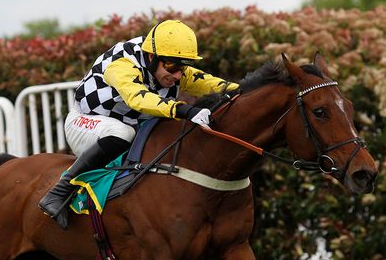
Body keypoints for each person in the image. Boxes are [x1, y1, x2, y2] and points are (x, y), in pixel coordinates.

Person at [38, 19, 240, 228]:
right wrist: (185, 110)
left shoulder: (167, 65)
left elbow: (208, 82)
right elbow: (138, 98)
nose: (178, 74)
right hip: (85, 123)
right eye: (172, 66)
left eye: (183, 67)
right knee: (124, 131)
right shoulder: (122, 64)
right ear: (152, 57)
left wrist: (244, 90)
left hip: (126, 130)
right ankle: (59, 192)